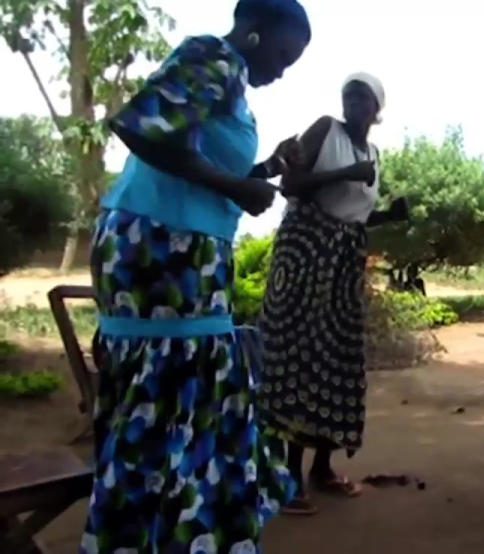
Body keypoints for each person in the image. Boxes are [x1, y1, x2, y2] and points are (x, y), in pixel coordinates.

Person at [81, 2, 311, 552]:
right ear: (255, 31)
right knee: (182, 391)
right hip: (160, 249)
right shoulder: (213, 54)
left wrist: (262, 172)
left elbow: (194, 167)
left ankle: (169, 531)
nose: (282, 71)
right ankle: (175, 532)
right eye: (282, 55)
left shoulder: (227, 78)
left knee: (180, 396)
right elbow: (141, 129)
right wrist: (237, 189)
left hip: (180, 247)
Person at [257, 73, 410, 515]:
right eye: (349, 95)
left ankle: (322, 468)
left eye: (362, 97)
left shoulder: (373, 153)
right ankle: (288, 475)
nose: (352, 102)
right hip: (305, 253)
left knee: (339, 358)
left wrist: (387, 216)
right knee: (301, 356)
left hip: (343, 259)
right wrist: (347, 172)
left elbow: (355, 215)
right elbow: (291, 185)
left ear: (376, 110)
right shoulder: (326, 130)